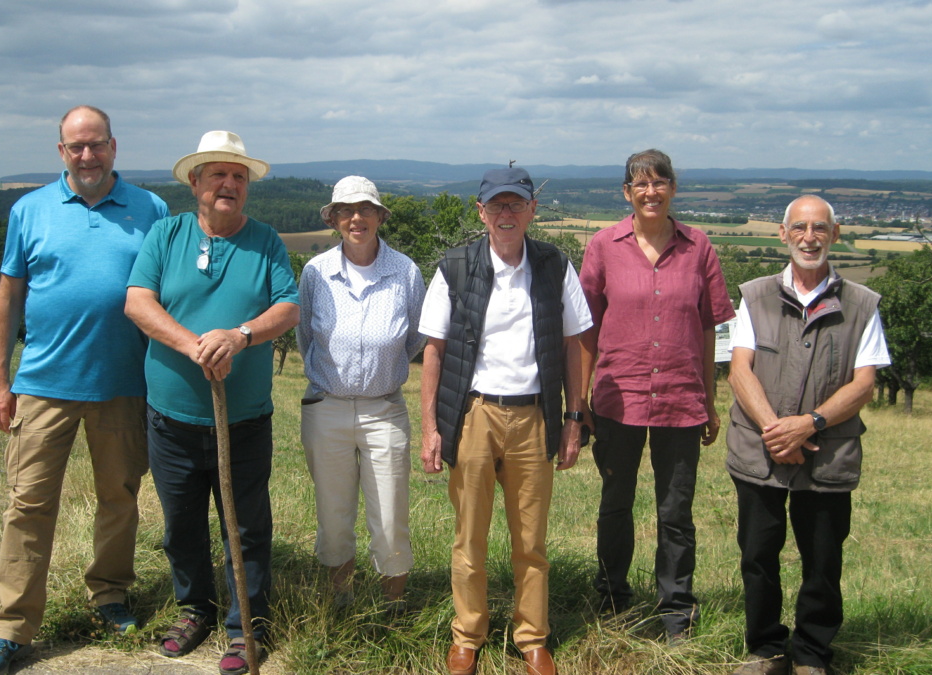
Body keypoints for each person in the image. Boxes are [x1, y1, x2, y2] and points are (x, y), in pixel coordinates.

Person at [0, 105, 170, 675]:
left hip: (124, 384)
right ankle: (12, 628)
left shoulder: (151, 209)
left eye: (97, 144)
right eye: (76, 146)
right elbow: (9, 297)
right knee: (28, 505)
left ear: (114, 146)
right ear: (61, 151)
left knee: (120, 497)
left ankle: (109, 595)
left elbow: (165, 293)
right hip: (43, 384)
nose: (87, 156)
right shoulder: (29, 210)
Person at [124, 131, 299, 675]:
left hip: (243, 421)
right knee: (181, 525)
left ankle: (247, 626)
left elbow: (288, 307)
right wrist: (193, 344)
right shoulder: (166, 234)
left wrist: (239, 335)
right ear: (195, 181)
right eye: (218, 174)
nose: (229, 184)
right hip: (171, 419)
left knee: (245, 528)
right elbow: (137, 302)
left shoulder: (265, 241)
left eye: (238, 176)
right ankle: (194, 609)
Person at [420, 167, 592, 675]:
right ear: (481, 213)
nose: (507, 213)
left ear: (532, 210)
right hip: (474, 414)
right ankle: (467, 637)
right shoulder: (454, 267)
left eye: (516, 203)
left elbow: (576, 343)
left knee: (531, 540)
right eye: (497, 205)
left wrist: (574, 418)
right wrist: (431, 428)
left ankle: (532, 638)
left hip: (535, 416)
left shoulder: (555, 265)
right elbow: (434, 350)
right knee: (469, 537)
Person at [726, 195, 889, 675]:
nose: (809, 237)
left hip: (827, 453)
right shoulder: (754, 296)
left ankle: (812, 654)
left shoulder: (862, 304)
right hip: (760, 452)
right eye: (799, 227)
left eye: (820, 228)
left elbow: (864, 383)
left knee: (822, 559)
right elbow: (739, 370)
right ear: (783, 234)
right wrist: (777, 432)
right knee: (758, 554)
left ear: (834, 235)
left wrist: (808, 424)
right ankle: (766, 650)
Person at [578, 149, 734, 641]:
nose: (651, 192)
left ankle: (676, 612)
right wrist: (578, 402)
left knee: (676, 512)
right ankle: (612, 601)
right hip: (617, 397)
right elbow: (584, 328)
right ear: (627, 193)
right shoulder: (603, 246)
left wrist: (710, 401)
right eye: (641, 184)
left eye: (659, 182)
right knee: (615, 504)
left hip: (680, 399)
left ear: (672, 188)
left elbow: (708, 328)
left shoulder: (698, 247)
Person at [297, 176, 425, 612]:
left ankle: (393, 606)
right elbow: (305, 336)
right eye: (346, 211)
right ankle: (342, 600)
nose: (356, 218)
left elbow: (415, 337)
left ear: (380, 217)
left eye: (365, 209)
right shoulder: (316, 272)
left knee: (390, 515)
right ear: (333, 219)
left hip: (384, 408)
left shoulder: (405, 271)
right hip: (326, 407)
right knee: (333, 515)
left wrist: (380, 369)